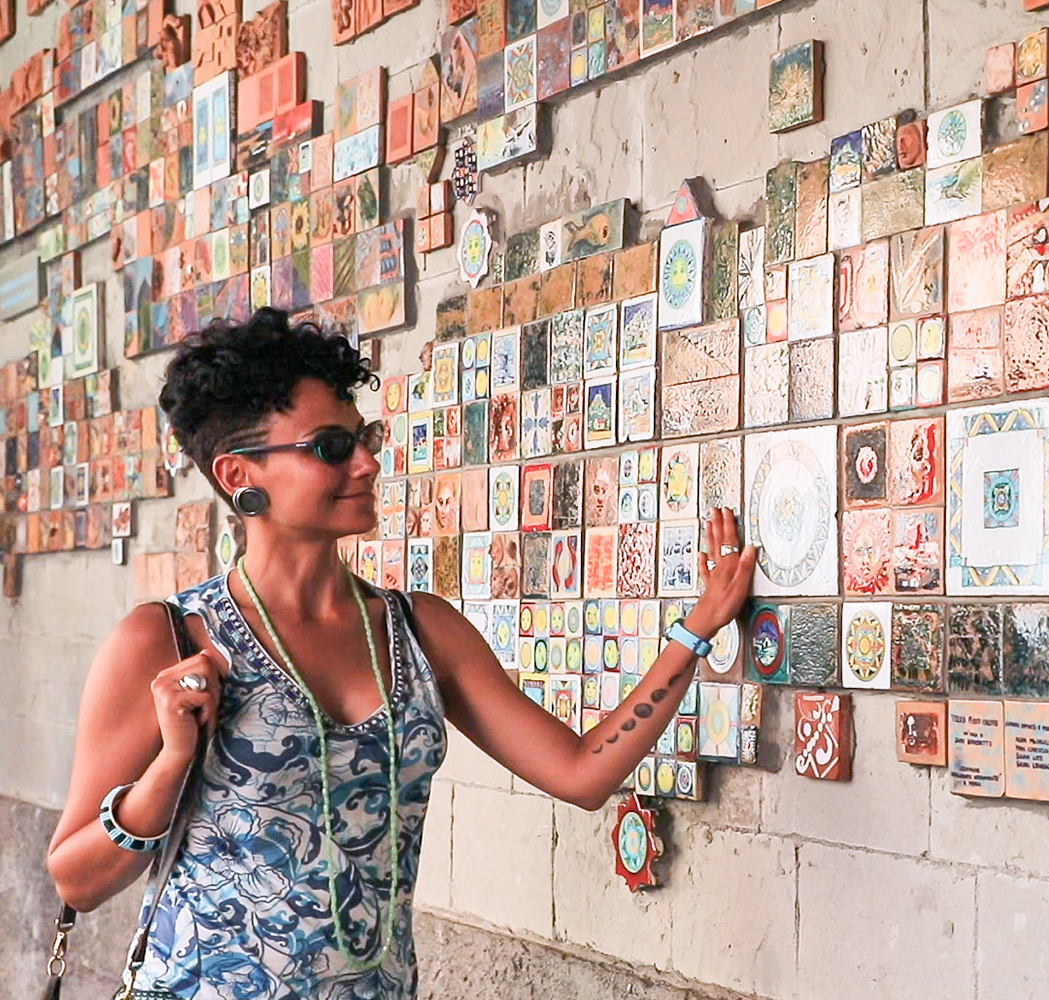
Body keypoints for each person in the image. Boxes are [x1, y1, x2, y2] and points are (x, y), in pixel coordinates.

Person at [44, 308, 757, 999]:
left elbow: (582, 774)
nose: (367, 462)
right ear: (240, 477)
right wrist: (170, 764)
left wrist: (697, 627)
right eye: (331, 447)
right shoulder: (167, 640)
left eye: (366, 437)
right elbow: (75, 878)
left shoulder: (419, 631)